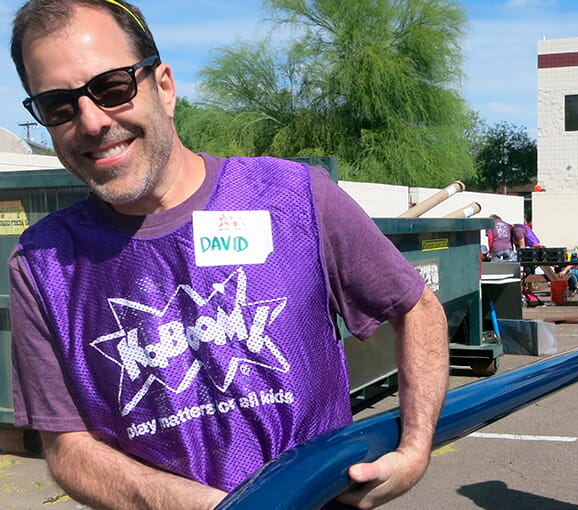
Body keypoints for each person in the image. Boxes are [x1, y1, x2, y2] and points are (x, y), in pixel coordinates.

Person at [8, 2, 449, 509]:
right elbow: (67, 447)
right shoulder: (43, 262)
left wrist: (416, 448)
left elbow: (415, 307)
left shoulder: (293, 195)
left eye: (111, 88)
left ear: (164, 87)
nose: (91, 121)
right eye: (59, 106)